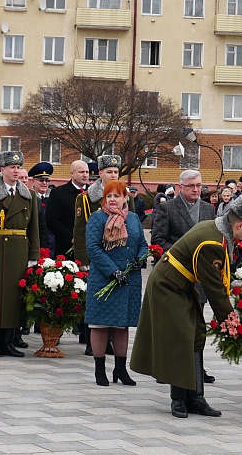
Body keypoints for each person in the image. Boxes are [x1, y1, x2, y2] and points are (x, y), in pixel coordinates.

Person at [131, 195, 242, 418]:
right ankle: (179, 399)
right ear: (239, 224)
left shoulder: (217, 229)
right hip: (168, 286)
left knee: (196, 334)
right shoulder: (212, 243)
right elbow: (213, 288)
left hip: (180, 285)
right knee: (181, 337)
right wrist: (230, 320)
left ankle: (196, 397)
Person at [0, 150, 40, 358]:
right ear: (2, 170)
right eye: (12, 167)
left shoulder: (28, 195)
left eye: (18, 167)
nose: (15, 170)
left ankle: (10, 342)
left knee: (14, 297)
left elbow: (34, 227)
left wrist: (33, 254)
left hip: (18, 250)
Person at [85, 180, 147, 387]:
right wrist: (113, 271)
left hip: (129, 279)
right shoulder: (97, 218)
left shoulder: (134, 219)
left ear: (125, 199)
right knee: (100, 324)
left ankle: (121, 369)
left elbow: (142, 244)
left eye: (117, 196)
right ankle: (99, 369)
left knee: (122, 325)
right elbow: (93, 249)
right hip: (104, 278)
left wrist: (141, 258)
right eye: (109, 196)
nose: (112, 200)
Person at [73, 155, 134, 355]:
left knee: (116, 303)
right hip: (98, 258)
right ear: (100, 174)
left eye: (116, 172)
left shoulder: (126, 197)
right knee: (96, 303)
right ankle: (93, 343)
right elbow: (80, 231)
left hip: (120, 258)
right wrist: (82, 259)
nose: (113, 175)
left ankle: (110, 344)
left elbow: (131, 226)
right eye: (109, 172)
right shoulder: (87, 198)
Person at [45, 160, 88, 258]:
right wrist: (71, 237)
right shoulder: (58, 193)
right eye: (81, 172)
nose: (85, 175)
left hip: (90, 248)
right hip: (66, 248)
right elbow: (51, 220)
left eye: (87, 172)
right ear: (72, 174)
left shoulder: (93, 192)